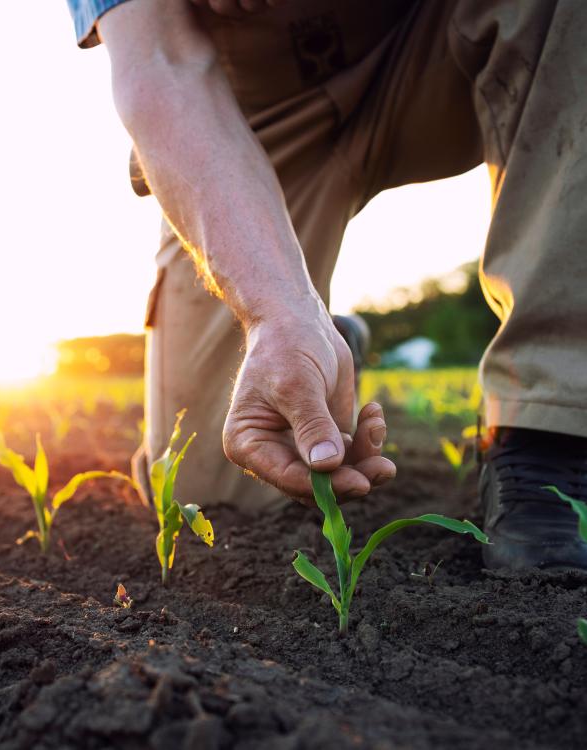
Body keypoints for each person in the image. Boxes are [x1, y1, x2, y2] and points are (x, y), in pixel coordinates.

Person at [66, 0, 587, 570]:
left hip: (437, 45)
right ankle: (319, 341)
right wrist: (279, 315)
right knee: (215, 492)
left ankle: (546, 425)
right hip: (255, 115)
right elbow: (160, 64)